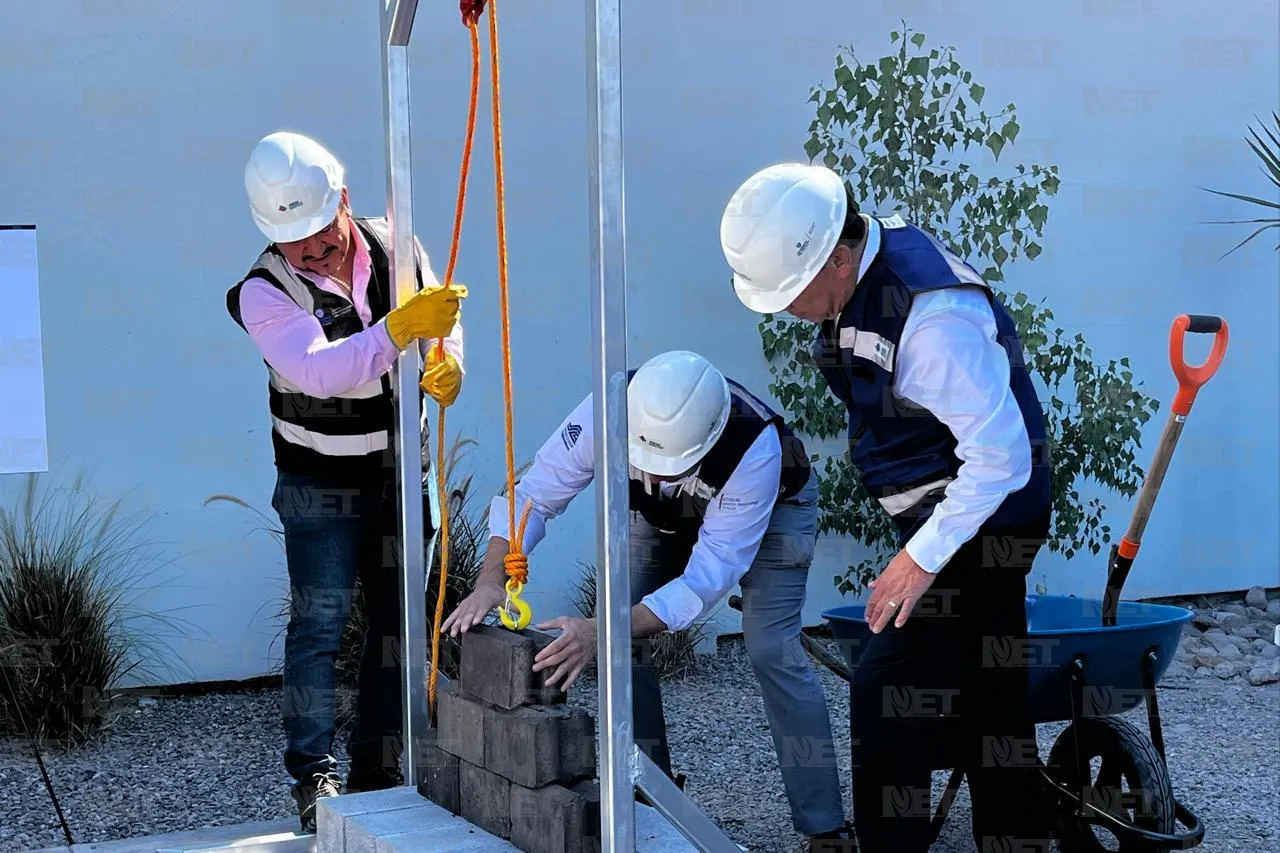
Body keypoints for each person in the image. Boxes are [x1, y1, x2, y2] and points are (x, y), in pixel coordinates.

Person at [719, 163, 1054, 853]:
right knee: (993, 699)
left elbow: (1002, 459)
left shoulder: (932, 323)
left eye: (792, 291)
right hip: (955, 513)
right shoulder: (860, 278)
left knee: (885, 686)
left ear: (840, 258)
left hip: (990, 518)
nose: (786, 308)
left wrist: (918, 559)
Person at [442, 349, 855, 849]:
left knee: (772, 648)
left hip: (774, 518)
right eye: (646, 465)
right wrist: (490, 579)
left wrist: (602, 629)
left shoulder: (755, 451)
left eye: (668, 468)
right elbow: (536, 496)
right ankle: (652, 795)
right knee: (627, 645)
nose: (654, 479)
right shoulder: (608, 411)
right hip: (662, 521)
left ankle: (825, 828)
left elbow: (704, 581)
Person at [227, 130, 468, 832]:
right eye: (292, 238)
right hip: (319, 480)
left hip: (398, 469)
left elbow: (442, 322)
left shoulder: (399, 245)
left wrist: (448, 357)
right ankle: (314, 777)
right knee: (320, 625)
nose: (310, 249)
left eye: (318, 231)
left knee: (401, 624)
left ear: (345, 201)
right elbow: (325, 369)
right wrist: (400, 329)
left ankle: (378, 767)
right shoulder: (264, 293)